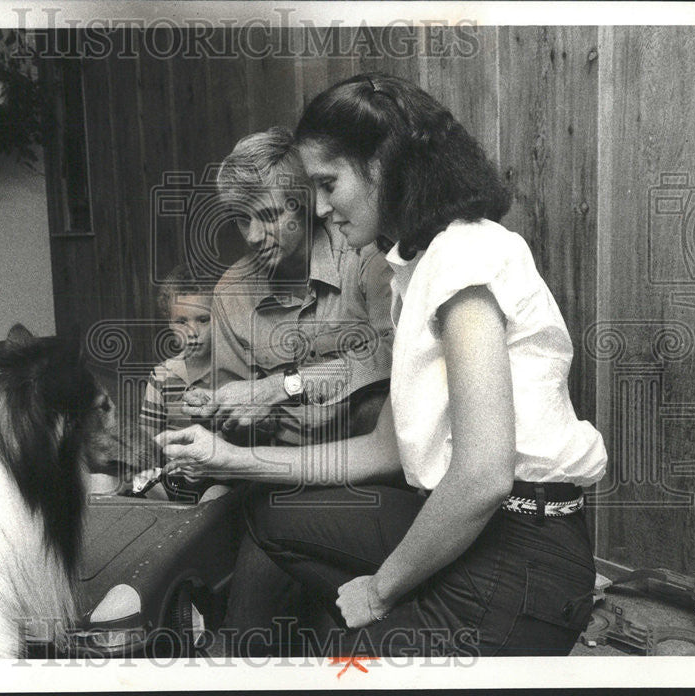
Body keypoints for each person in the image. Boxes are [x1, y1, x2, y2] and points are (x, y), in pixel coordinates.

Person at [157, 73, 608, 657]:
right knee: (273, 517)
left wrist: (381, 587)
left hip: (523, 551)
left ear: (385, 164)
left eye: (327, 183)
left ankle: (397, 626)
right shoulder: (417, 266)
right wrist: (229, 457)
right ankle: (385, 623)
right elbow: (383, 449)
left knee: (344, 651)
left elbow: (483, 477)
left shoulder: (467, 254)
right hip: (473, 524)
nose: (319, 207)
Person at [183, 126, 395, 449]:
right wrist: (228, 413)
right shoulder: (229, 293)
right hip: (278, 470)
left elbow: (396, 356)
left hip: (369, 462)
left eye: (268, 216)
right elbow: (240, 432)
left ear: (304, 203)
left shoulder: (364, 254)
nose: (253, 236)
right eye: (242, 219)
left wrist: (279, 387)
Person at [135, 264, 225, 503]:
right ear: (169, 322)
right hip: (173, 474)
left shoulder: (233, 372)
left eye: (203, 320)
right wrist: (165, 464)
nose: (192, 331)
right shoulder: (162, 375)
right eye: (181, 321)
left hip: (219, 475)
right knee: (129, 483)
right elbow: (147, 439)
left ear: (222, 319)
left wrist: (211, 465)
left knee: (216, 499)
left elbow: (245, 441)